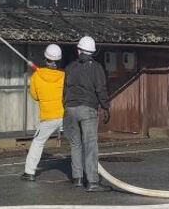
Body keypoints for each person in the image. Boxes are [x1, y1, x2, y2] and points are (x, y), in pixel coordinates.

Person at [64, 36, 111, 192]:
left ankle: (77, 178)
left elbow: (64, 90)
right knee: (90, 144)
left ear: (79, 50)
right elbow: (100, 89)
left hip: (70, 108)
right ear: (93, 52)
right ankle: (92, 182)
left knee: (75, 144)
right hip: (87, 108)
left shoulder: (70, 67)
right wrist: (106, 107)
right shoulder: (96, 68)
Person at [20, 44, 66, 182]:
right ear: (59, 61)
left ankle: (29, 173)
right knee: (78, 143)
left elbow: (34, 95)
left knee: (38, 142)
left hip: (48, 117)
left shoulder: (36, 76)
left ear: (46, 59)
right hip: (65, 116)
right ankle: (82, 173)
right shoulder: (64, 76)